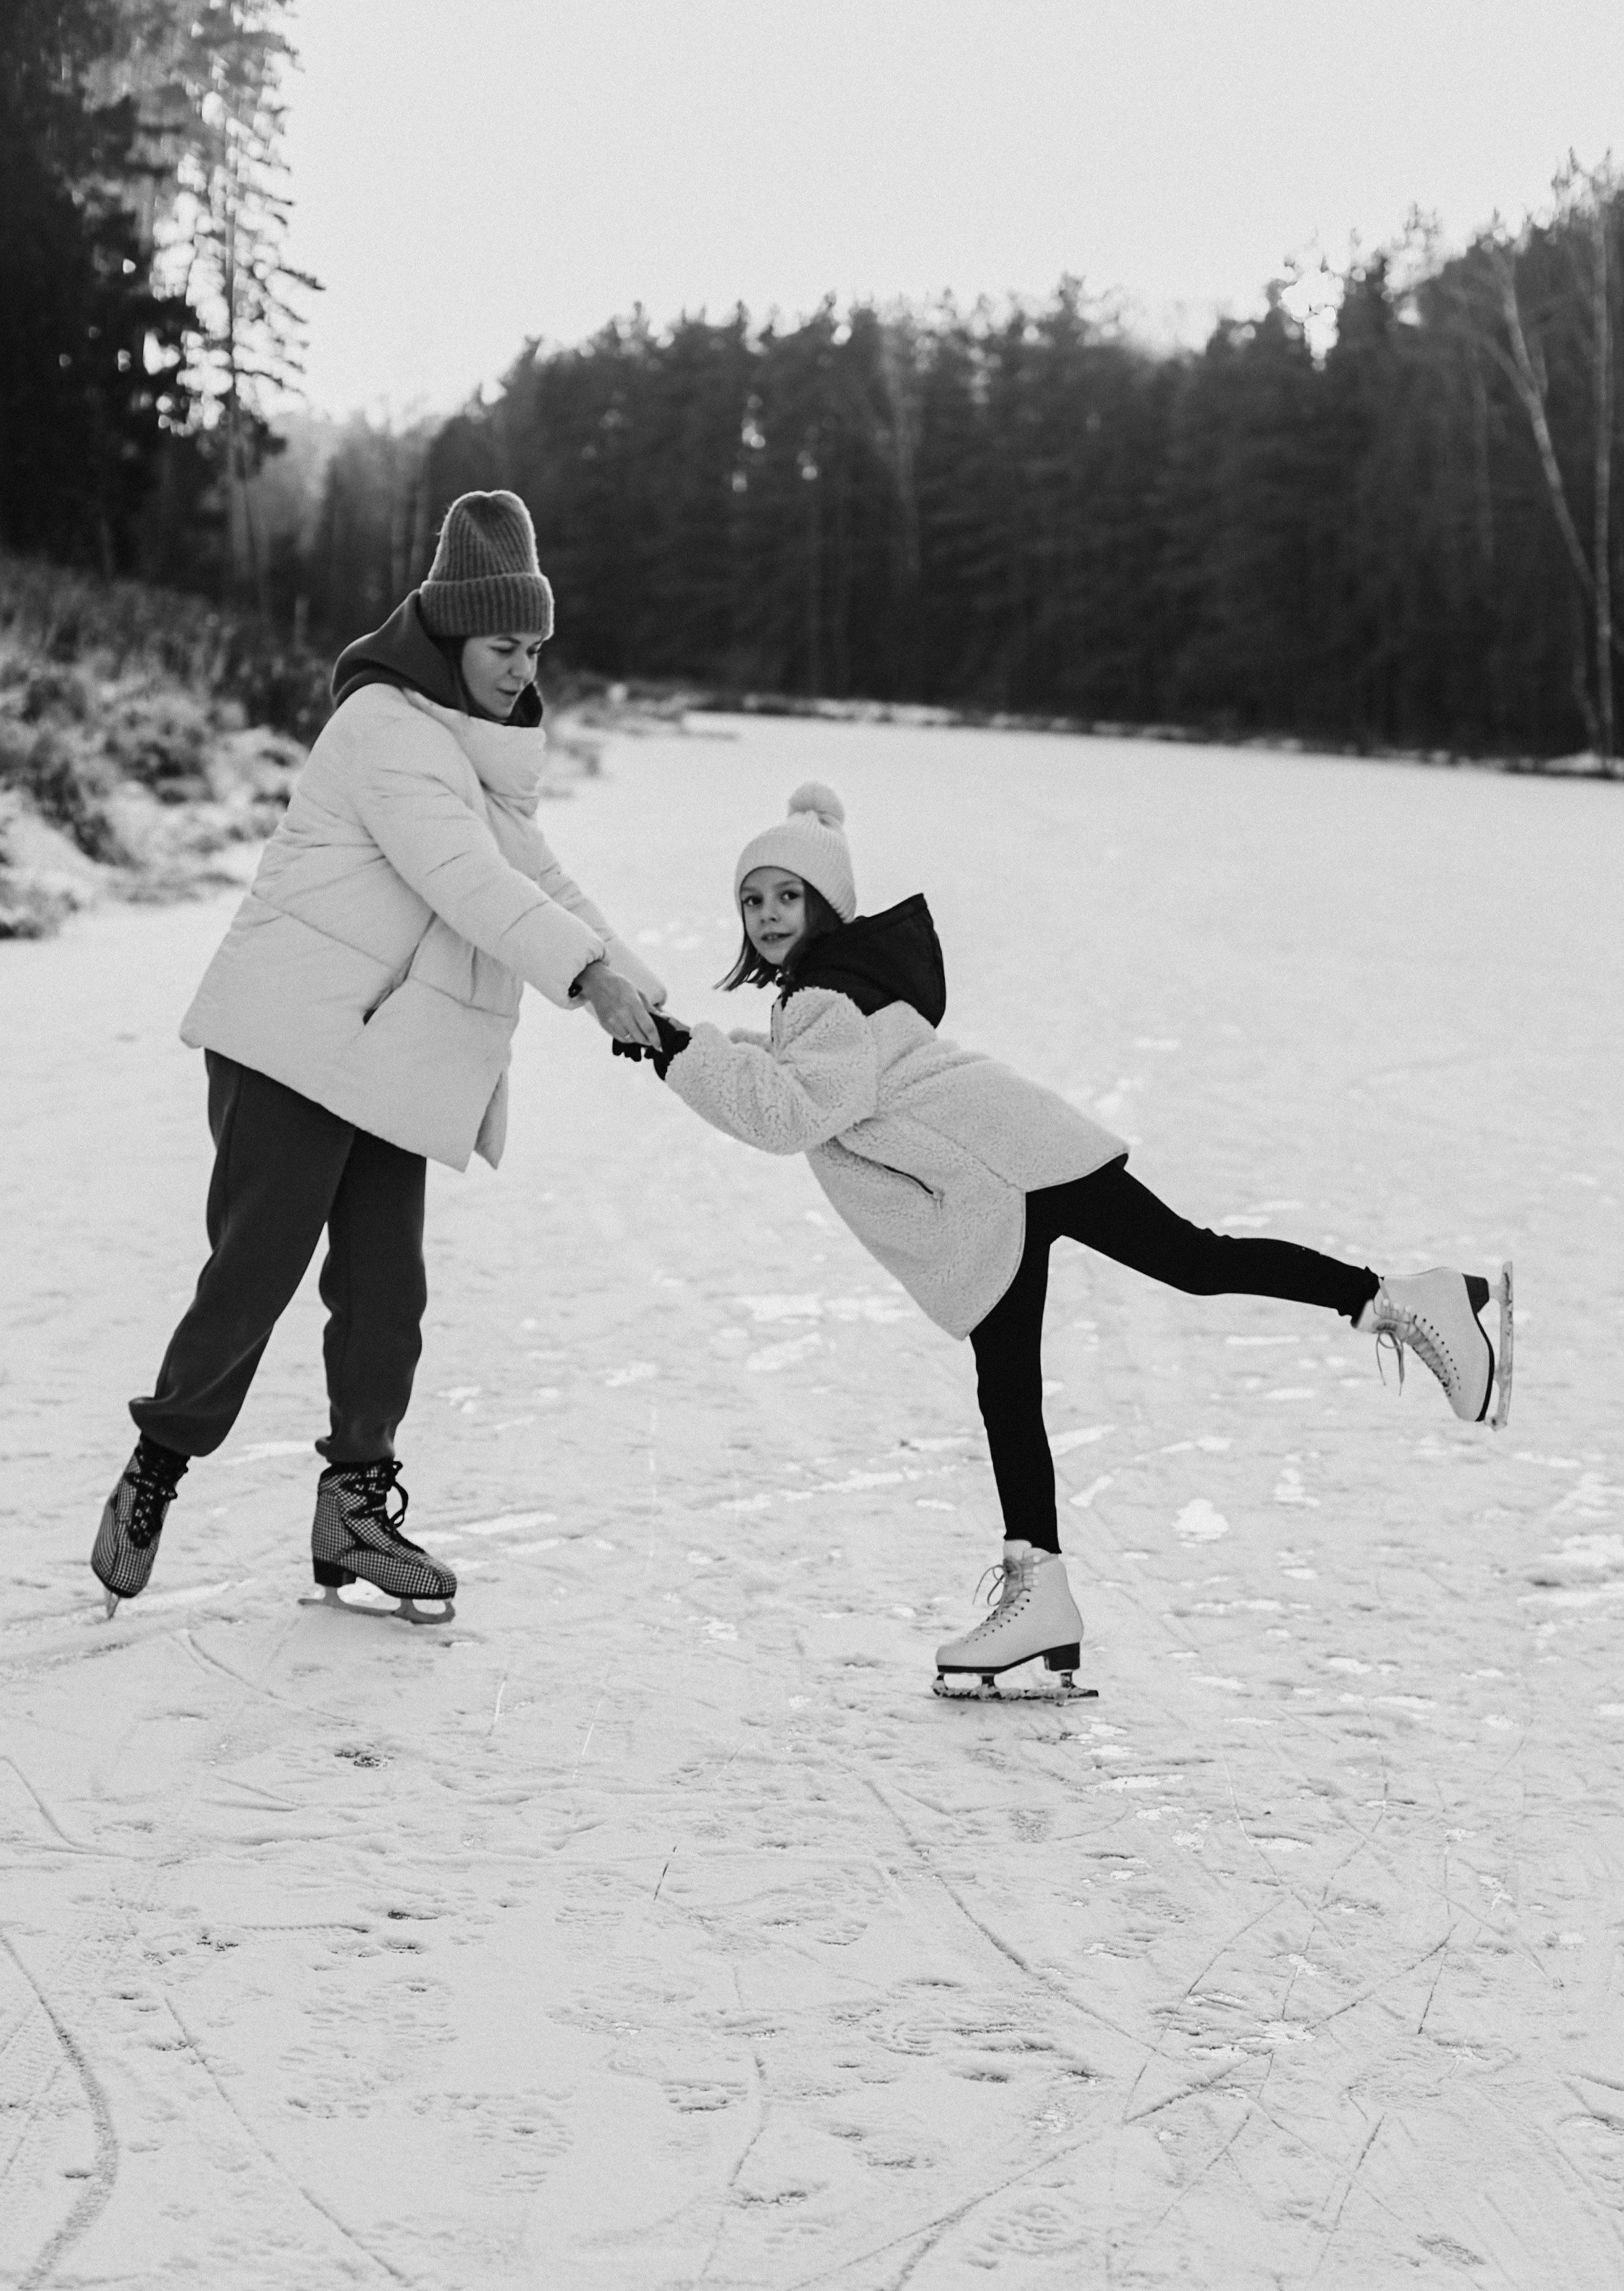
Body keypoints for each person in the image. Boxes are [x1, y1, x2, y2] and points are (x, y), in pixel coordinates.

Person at [619, 783, 1513, 1694]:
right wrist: (685, 1043)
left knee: (1195, 1264)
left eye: (786, 896)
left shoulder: (829, 998)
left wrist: (677, 1055)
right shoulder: (829, 994)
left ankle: (1404, 1297)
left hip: (1020, 1164)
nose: (767, 915)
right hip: (995, 1185)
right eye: (752, 899)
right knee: (1010, 1387)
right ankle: (1039, 1589)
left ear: (826, 905)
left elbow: (789, 1110)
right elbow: (786, 1078)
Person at [92, 491, 665, 1622]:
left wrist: (639, 986)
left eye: (538, 647)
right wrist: (585, 978)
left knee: (385, 1292)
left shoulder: (470, 750)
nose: (523, 668)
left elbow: (536, 876)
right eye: (506, 645)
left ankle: (355, 1505)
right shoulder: (386, 732)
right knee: (254, 1273)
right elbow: (466, 878)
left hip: (389, 1057)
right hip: (294, 1042)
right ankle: (155, 1469)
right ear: (454, 633)